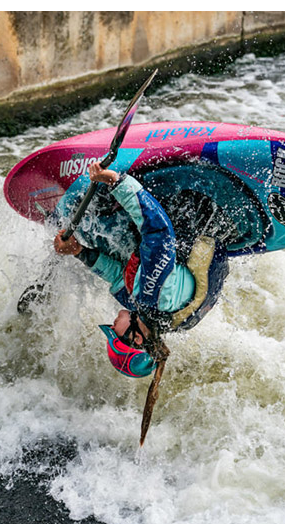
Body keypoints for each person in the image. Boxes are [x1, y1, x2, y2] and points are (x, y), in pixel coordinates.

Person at [53, 161, 229, 378]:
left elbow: (118, 277)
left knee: (122, 254)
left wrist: (79, 251)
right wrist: (117, 182)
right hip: (201, 213)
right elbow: (158, 231)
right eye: (115, 333)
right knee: (123, 215)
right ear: (137, 338)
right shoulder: (153, 295)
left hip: (207, 249)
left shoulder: (154, 318)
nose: (113, 324)